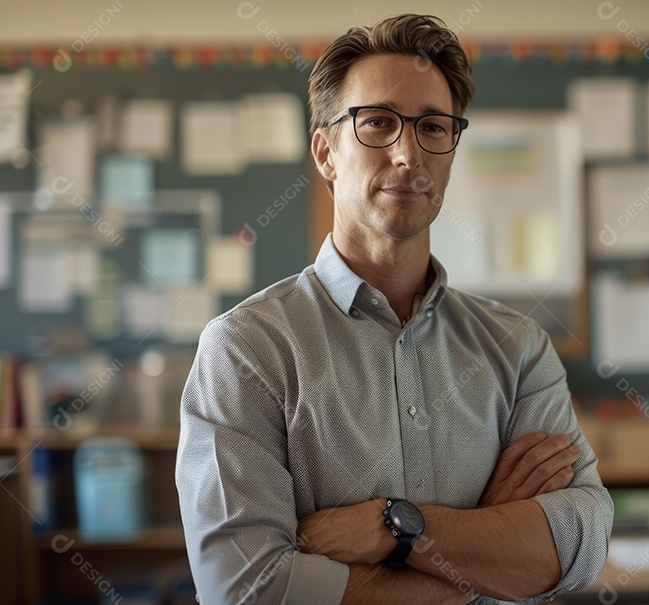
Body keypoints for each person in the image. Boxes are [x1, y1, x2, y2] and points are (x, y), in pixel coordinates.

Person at [175, 13, 613, 605]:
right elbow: (247, 589)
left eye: (433, 127)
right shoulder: (247, 349)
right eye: (378, 123)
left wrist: (398, 529)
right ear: (326, 153)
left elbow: (580, 545)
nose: (408, 153)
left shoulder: (518, 347)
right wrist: (481, 557)